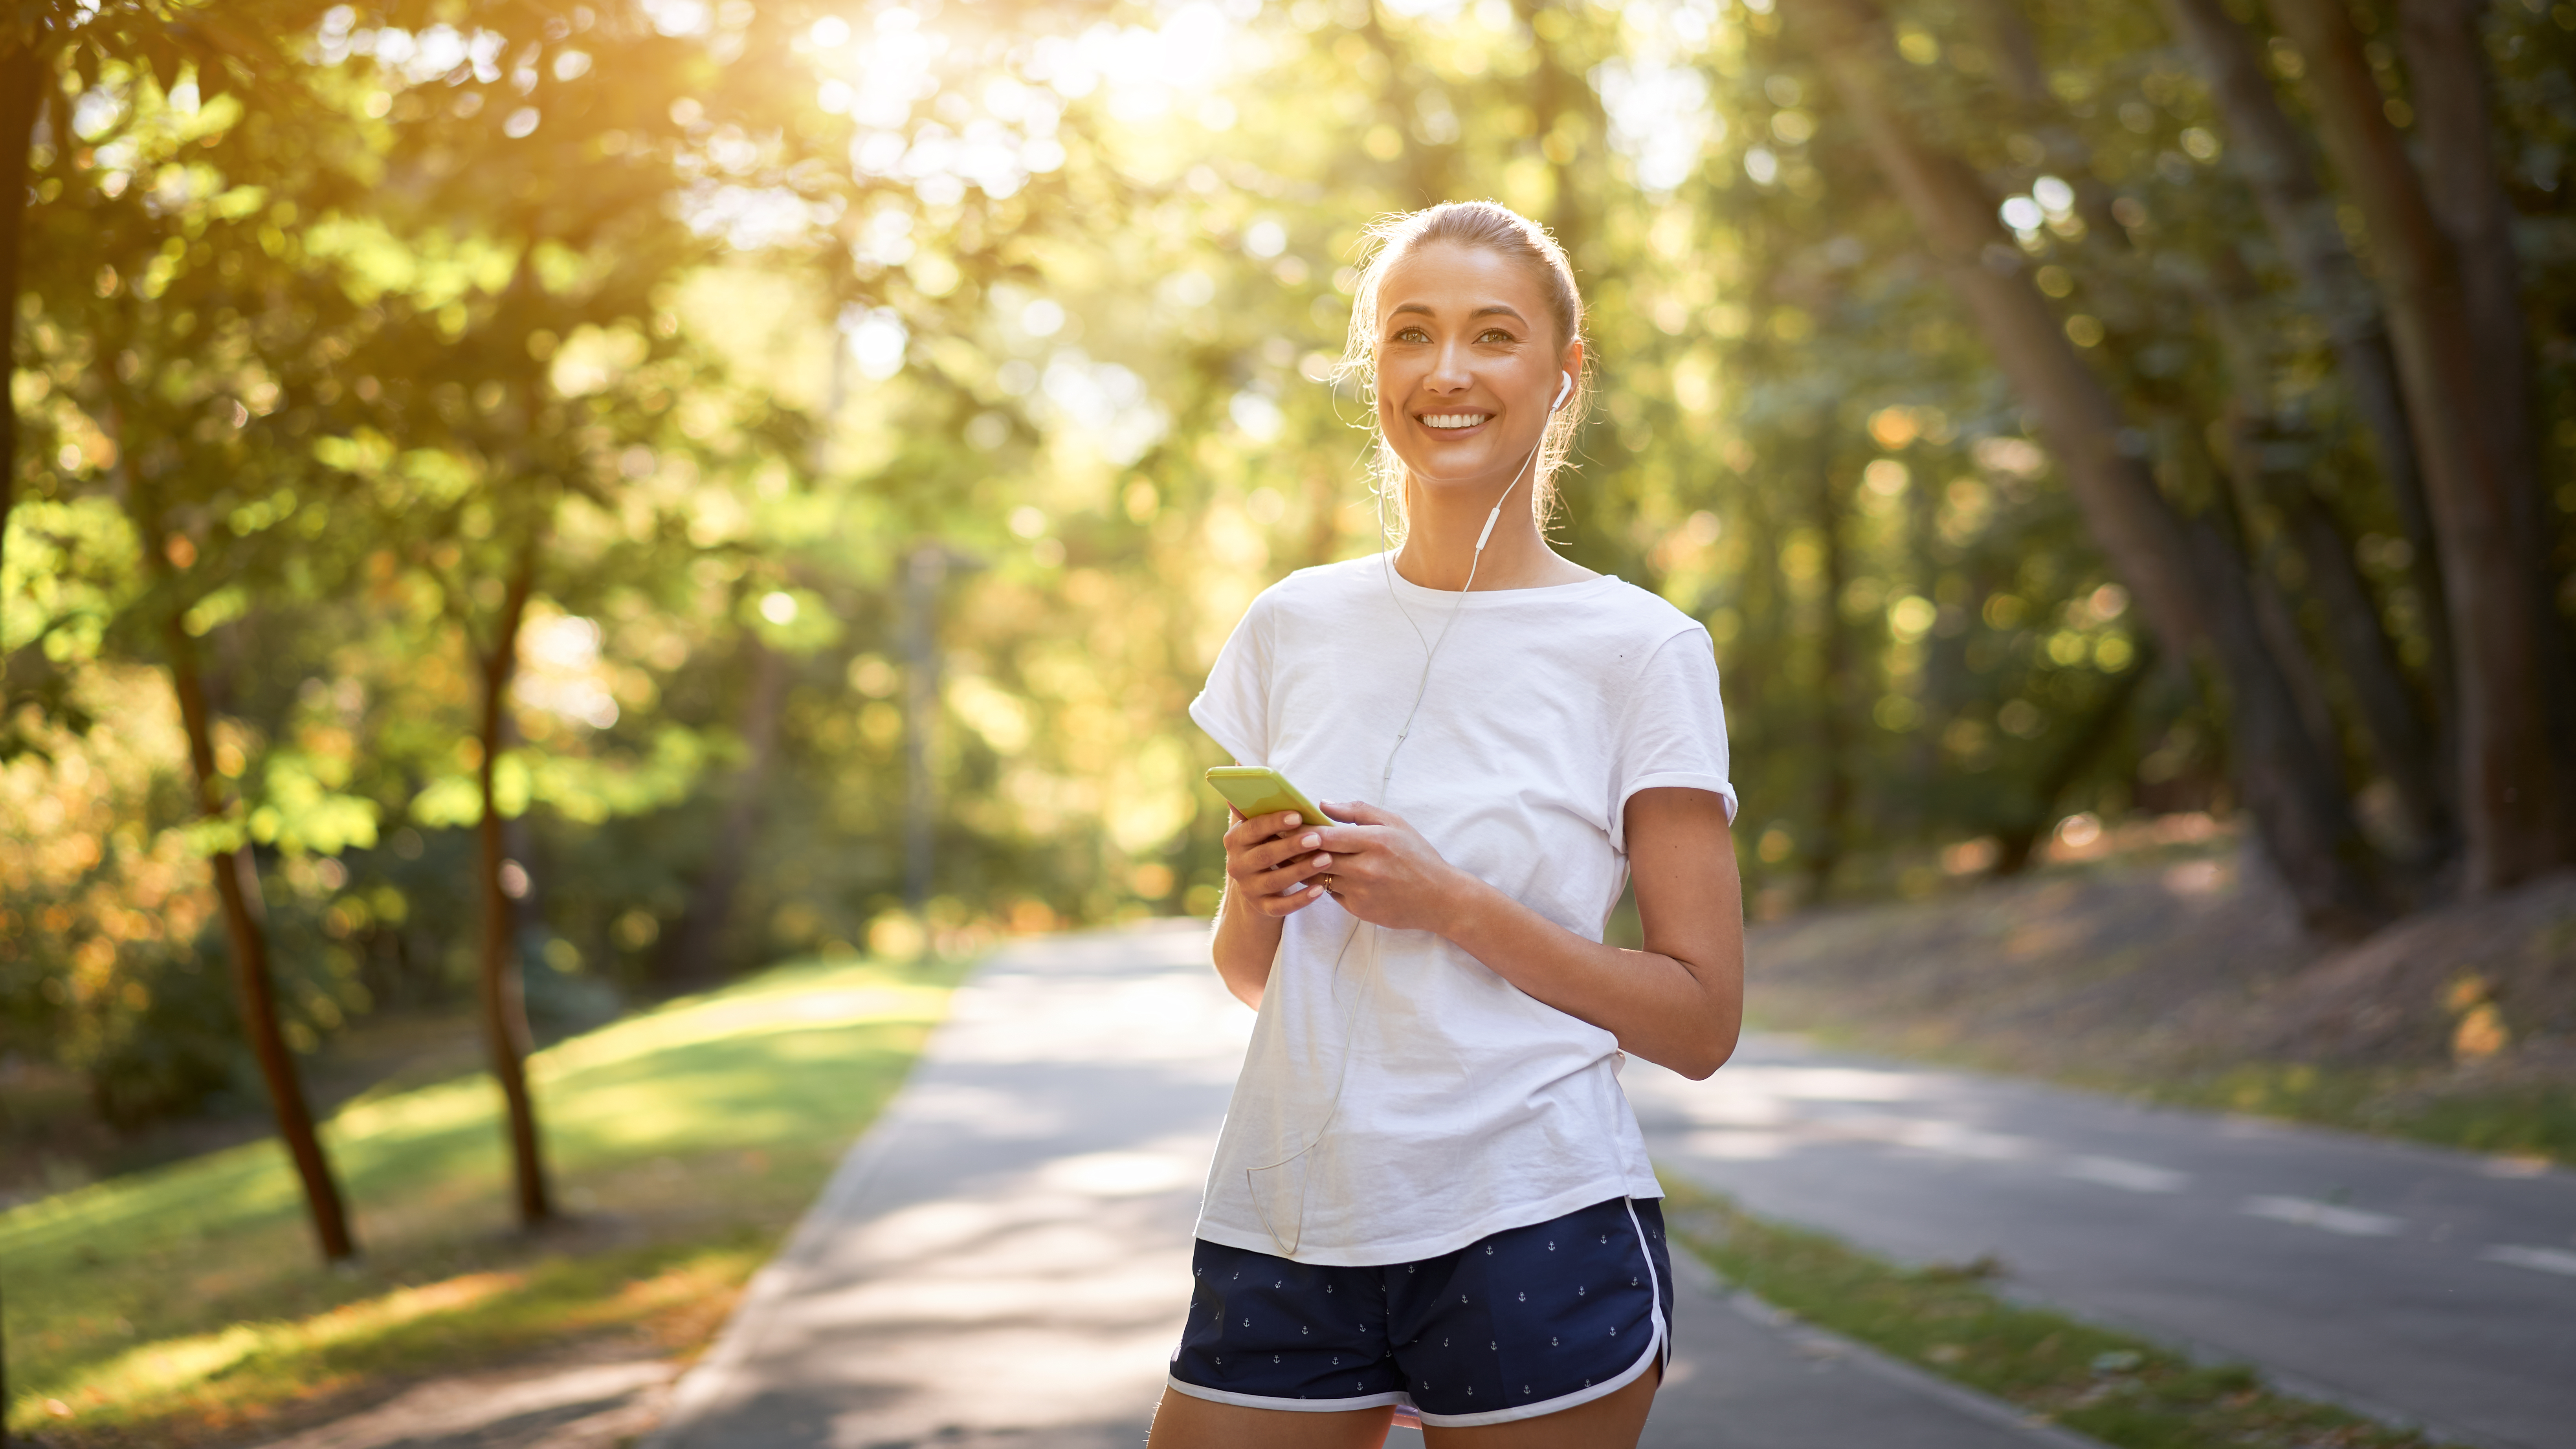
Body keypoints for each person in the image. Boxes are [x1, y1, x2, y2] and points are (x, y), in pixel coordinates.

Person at [1147, 199, 1745, 1449]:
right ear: (1376, 369)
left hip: (1533, 1217)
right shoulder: (1289, 626)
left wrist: (1454, 907)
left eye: (1492, 335)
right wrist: (1256, 895)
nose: (1448, 371)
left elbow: (1699, 1023)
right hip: (1288, 1216)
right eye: (1410, 334)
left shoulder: (1640, 650)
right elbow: (1253, 978)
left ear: (1562, 373)